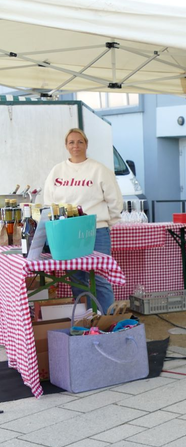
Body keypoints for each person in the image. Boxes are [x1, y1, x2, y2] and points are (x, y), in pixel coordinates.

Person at [43, 128, 123, 313]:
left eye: (80, 142)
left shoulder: (99, 170)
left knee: (100, 278)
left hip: (95, 231)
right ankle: (88, 318)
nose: (75, 146)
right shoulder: (57, 171)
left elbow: (115, 201)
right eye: (71, 142)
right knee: (77, 279)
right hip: (67, 233)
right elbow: (49, 202)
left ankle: (108, 321)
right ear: (66, 146)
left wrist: (106, 222)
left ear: (86, 144)